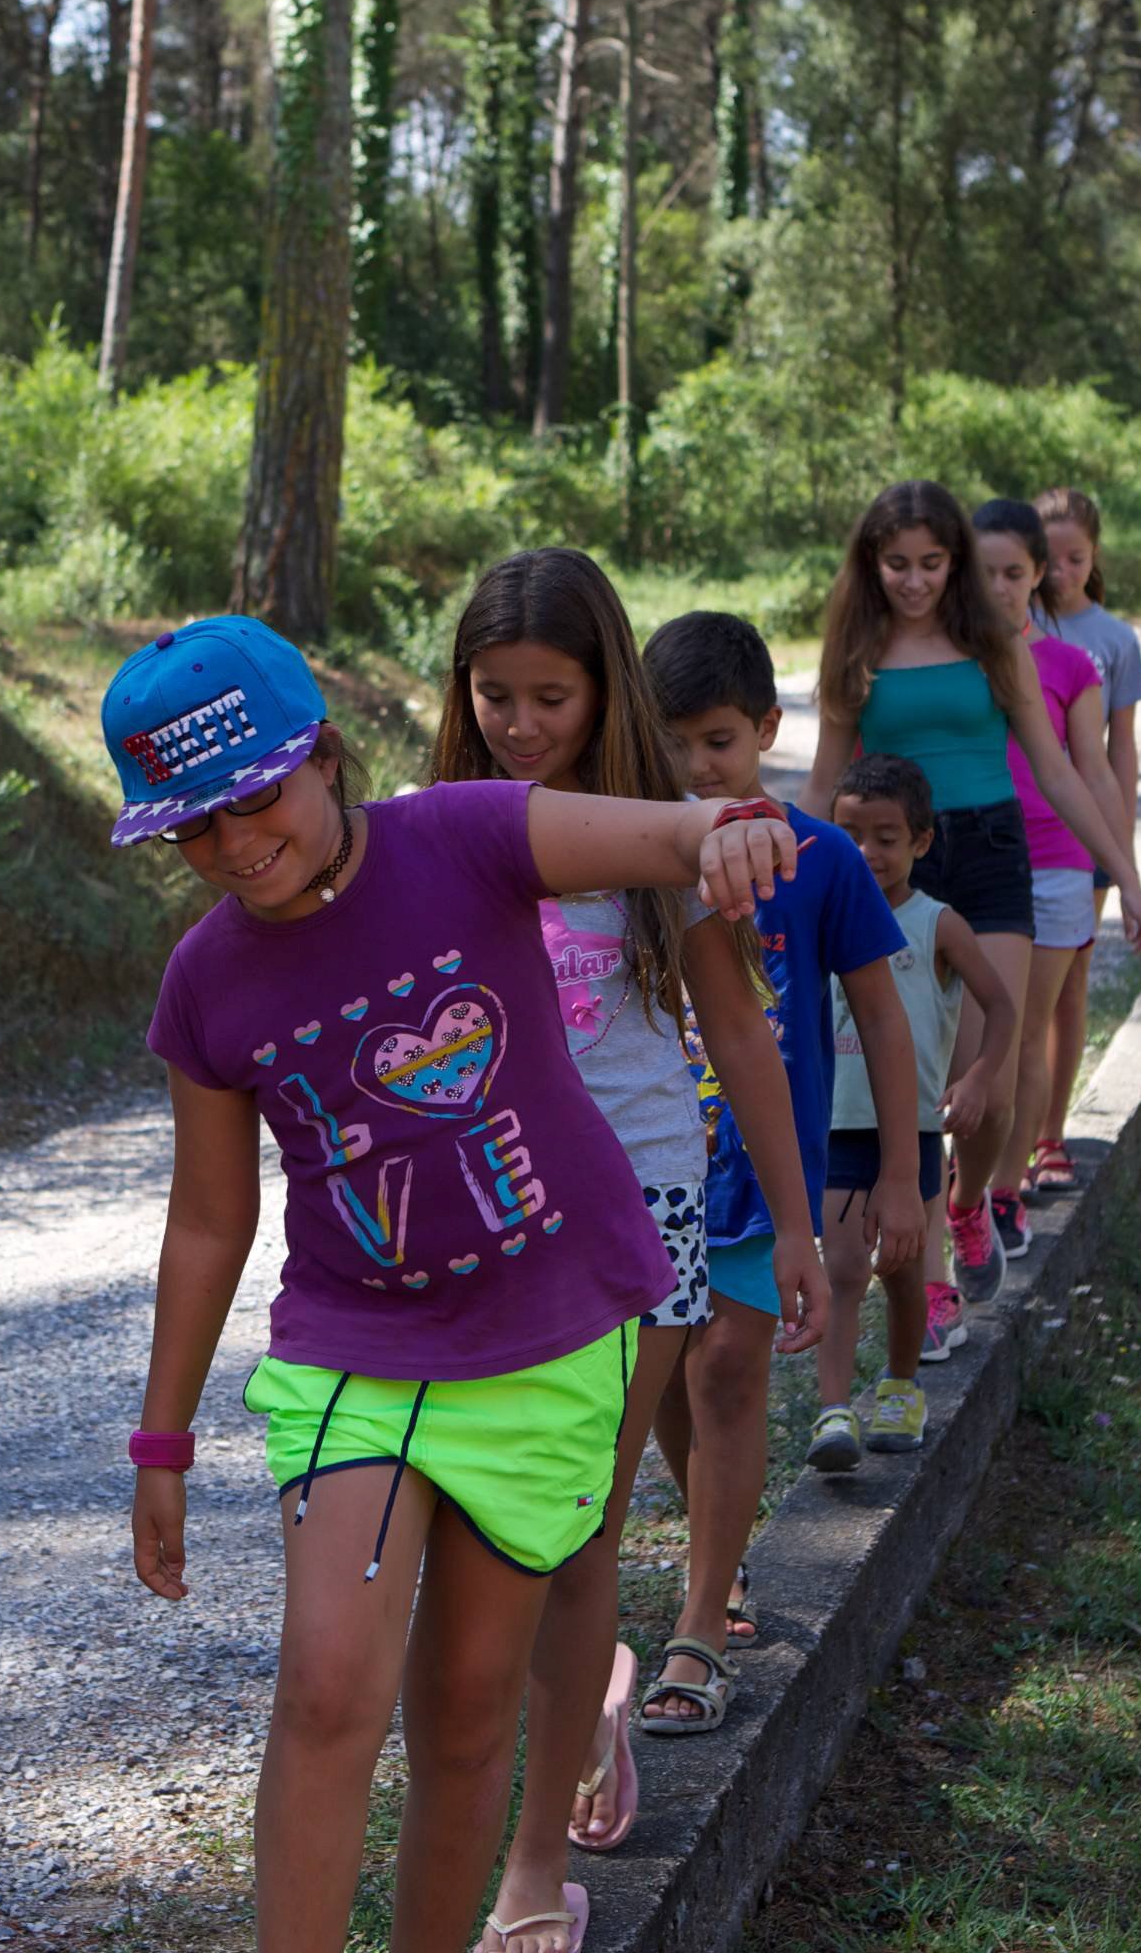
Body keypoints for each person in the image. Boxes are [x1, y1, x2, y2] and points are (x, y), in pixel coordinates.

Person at [118, 613, 803, 1953]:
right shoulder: (205, 983)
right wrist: (162, 1436)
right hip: (354, 1361)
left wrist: (722, 830)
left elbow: (661, 835)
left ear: (320, 756)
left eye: (257, 799)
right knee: (324, 1687)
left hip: (552, 1341)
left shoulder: (461, 835)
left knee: (473, 1710)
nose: (238, 845)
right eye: (195, 830)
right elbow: (207, 1222)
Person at [431, 553, 829, 1952]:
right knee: (496, 1538)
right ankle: (584, 1689)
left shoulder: (666, 842)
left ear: (605, 691)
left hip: (643, 1215)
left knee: (573, 1526)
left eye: (551, 696)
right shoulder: (446, 832)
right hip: (489, 1224)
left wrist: (794, 1224)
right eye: (495, 697)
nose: (522, 724)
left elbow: (742, 1044)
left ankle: (533, 1871)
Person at [802, 481, 1141, 1302]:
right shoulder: (854, 650)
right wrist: (779, 875)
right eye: (896, 564)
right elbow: (827, 779)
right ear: (871, 564)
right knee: (924, 1080)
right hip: (892, 869)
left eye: (931, 563)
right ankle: (930, 1283)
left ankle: (969, 1202)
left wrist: (1128, 877)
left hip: (993, 852)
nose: (914, 581)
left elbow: (1058, 770)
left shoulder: (994, 638)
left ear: (955, 562)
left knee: (988, 1085)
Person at [637, 611, 919, 1647]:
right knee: (659, 1369)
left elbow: (883, 1018)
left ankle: (702, 1617)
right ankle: (722, 1550)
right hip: (649, 1171)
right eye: (672, 744)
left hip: (762, 1175)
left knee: (725, 1368)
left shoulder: (822, 858)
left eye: (717, 740)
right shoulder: (632, 854)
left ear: (766, 726)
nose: (696, 767)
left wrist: (898, 1174)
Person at [818, 750, 1019, 1458]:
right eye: (849, 835)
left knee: (900, 1271)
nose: (866, 852)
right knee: (842, 1268)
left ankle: (901, 1385)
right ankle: (834, 1411)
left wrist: (977, 1080)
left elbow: (1000, 1006)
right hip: (838, 1129)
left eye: (886, 837)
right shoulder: (823, 918)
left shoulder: (938, 924)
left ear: (922, 842)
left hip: (910, 1133)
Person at [971, 496, 1119, 1255]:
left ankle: (1003, 1193)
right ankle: (964, 1190)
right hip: (965, 864)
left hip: (1057, 866)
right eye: (983, 572)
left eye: (1014, 574)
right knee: (968, 1043)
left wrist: (1122, 870)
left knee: (1026, 1033)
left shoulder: (1071, 664)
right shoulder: (946, 660)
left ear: (1037, 577)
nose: (998, 588)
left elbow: (1089, 772)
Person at [1027, 486, 1141, 1202]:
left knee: (1069, 984)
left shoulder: (1114, 640)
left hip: (1089, 833)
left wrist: (1121, 843)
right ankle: (998, 1133)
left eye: (1076, 558)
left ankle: (1050, 1134)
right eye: (1050, 558)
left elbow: (1119, 751)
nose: (1060, 571)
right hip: (1021, 833)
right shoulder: (1010, 627)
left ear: (1094, 557)